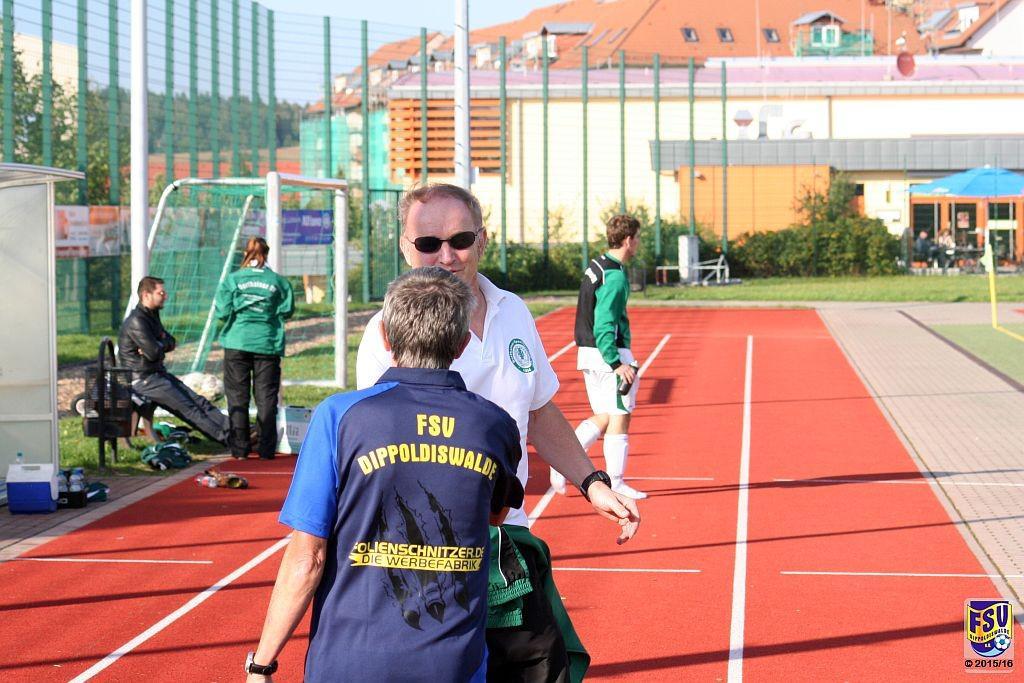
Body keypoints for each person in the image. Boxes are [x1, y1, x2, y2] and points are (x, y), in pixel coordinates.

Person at [357, 184, 640, 682]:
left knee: (545, 670)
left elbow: (540, 410)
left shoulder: (512, 310)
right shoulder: (386, 333)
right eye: (428, 243)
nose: (446, 256)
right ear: (405, 247)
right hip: (427, 556)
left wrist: (592, 482)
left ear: (482, 240)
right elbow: (380, 447)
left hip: (508, 536)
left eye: (460, 240)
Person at [246, 267, 525, 682]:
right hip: (452, 664)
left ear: (385, 337)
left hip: (349, 661)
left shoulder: (340, 416)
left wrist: (262, 664)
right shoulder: (495, 425)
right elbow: (495, 516)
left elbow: (308, 557)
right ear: (463, 343)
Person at [550, 214, 646, 500]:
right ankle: (616, 482)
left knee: (605, 414)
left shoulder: (597, 265)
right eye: (637, 238)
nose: (638, 243)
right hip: (606, 354)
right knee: (620, 415)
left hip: (588, 353)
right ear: (628, 240)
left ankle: (561, 462)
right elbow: (605, 322)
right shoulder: (615, 276)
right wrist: (617, 363)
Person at [118, 276, 230, 445]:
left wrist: (159, 343)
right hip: (143, 380)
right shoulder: (137, 320)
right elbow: (154, 353)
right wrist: (159, 344)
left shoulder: (151, 315)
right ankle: (231, 440)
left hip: (157, 374)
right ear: (146, 295)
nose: (166, 296)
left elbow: (171, 342)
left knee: (199, 402)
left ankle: (237, 430)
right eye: (161, 293)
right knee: (189, 409)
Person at [215, 237, 294, 460]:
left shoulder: (233, 279)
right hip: (267, 343)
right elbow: (287, 310)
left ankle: (240, 450)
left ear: (245, 254)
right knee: (266, 397)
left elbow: (222, 312)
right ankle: (266, 449)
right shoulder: (278, 282)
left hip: (237, 342)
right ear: (266, 254)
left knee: (237, 397)